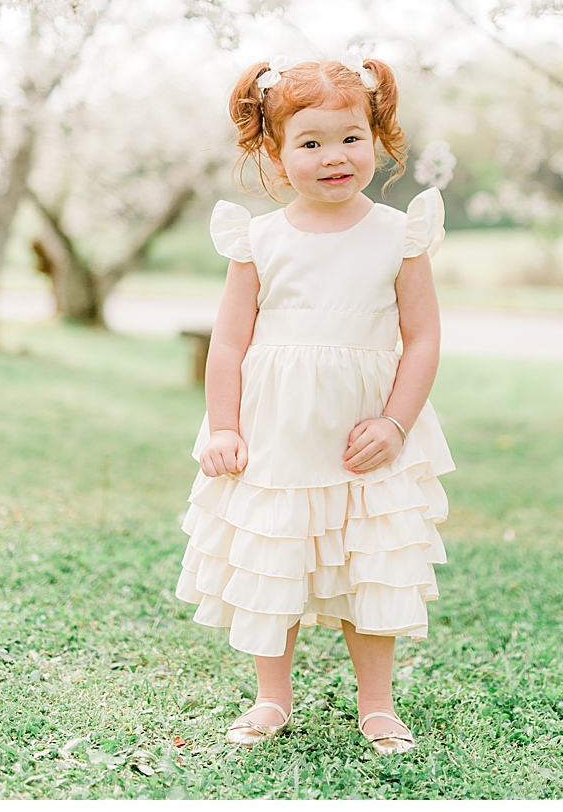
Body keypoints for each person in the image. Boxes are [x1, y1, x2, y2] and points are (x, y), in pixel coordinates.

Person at [174, 54, 453, 753]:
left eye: (351, 137)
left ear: (378, 136)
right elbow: (229, 344)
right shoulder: (259, 240)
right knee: (277, 555)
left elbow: (422, 339)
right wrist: (224, 427)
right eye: (311, 143)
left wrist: (396, 422)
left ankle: (378, 704)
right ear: (274, 151)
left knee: (373, 559)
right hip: (278, 431)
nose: (335, 157)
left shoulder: (399, 234)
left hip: (366, 430)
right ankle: (272, 697)